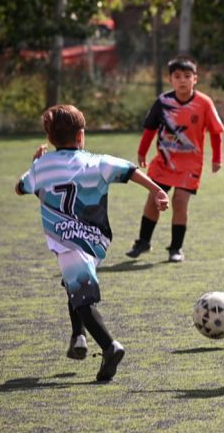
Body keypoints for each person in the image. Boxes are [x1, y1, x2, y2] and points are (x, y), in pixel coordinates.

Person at [15, 104, 170, 382]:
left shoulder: (41, 166)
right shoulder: (97, 162)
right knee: (72, 284)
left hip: (67, 240)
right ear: (80, 136)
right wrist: (157, 191)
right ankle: (78, 336)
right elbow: (130, 170)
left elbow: (20, 188)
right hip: (96, 241)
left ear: (49, 138)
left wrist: (35, 163)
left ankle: (110, 346)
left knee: (81, 295)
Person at [125, 56, 224, 263]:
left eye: (187, 76)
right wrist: (142, 152)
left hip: (190, 164)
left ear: (195, 79)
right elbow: (150, 128)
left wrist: (217, 158)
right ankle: (143, 242)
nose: (182, 80)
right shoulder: (163, 102)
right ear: (170, 79)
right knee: (154, 199)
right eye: (177, 76)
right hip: (164, 162)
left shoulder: (204, 103)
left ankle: (176, 248)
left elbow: (216, 132)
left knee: (179, 201)